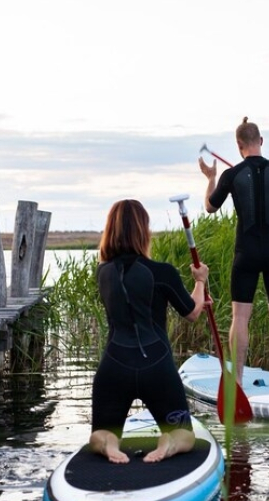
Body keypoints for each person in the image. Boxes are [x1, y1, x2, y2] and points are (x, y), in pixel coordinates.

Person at [89, 198, 209, 465]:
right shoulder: (162, 272)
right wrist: (200, 282)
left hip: (114, 367)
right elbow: (191, 312)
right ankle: (169, 441)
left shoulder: (102, 273)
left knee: (101, 433)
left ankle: (109, 444)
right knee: (183, 435)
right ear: (144, 230)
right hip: (156, 366)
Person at [198, 118, 269, 387]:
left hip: (245, 252)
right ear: (261, 141)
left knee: (240, 316)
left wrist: (211, 178)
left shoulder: (231, 175)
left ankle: (236, 378)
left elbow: (210, 207)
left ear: (239, 146)